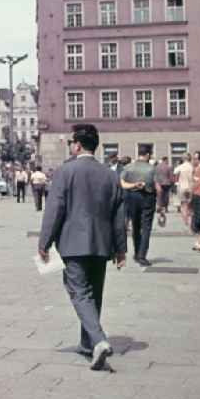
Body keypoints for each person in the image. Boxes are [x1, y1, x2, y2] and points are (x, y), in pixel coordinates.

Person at [38, 124, 126, 371]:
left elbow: (55, 210)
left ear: (76, 144)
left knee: (79, 293)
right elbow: (119, 215)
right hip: (101, 244)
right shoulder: (110, 175)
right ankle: (88, 345)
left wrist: (44, 243)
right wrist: (121, 249)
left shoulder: (66, 172)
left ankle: (98, 341)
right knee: (94, 294)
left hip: (72, 243)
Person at [120, 145, 157, 266]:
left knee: (135, 226)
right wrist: (161, 205)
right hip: (148, 197)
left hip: (132, 198)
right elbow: (158, 187)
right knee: (146, 227)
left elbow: (121, 182)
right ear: (147, 155)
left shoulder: (129, 167)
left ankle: (136, 252)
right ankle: (142, 255)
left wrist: (133, 185)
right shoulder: (151, 169)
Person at [174, 153, 194, 228]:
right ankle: (190, 221)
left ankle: (185, 221)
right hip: (191, 187)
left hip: (182, 187)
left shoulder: (180, 167)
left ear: (183, 159)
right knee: (190, 205)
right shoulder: (192, 167)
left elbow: (175, 172)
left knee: (183, 205)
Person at [154, 157, 174, 227]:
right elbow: (171, 176)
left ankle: (159, 206)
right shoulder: (168, 167)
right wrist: (172, 183)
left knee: (159, 196)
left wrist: (156, 183)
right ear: (165, 160)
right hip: (166, 183)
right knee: (166, 196)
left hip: (159, 183)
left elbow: (155, 175)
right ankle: (165, 208)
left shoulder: (157, 167)